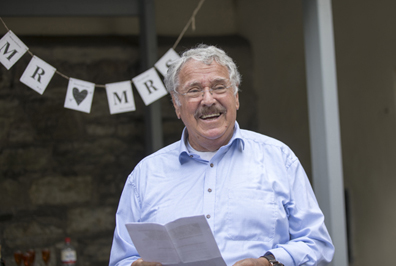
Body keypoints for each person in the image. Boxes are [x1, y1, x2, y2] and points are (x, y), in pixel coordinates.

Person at [109, 45, 334, 266]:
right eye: (194, 90)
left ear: (236, 96)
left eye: (218, 87)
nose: (208, 100)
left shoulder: (279, 159)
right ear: (177, 105)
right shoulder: (145, 175)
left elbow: (317, 244)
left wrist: (269, 263)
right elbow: (121, 259)